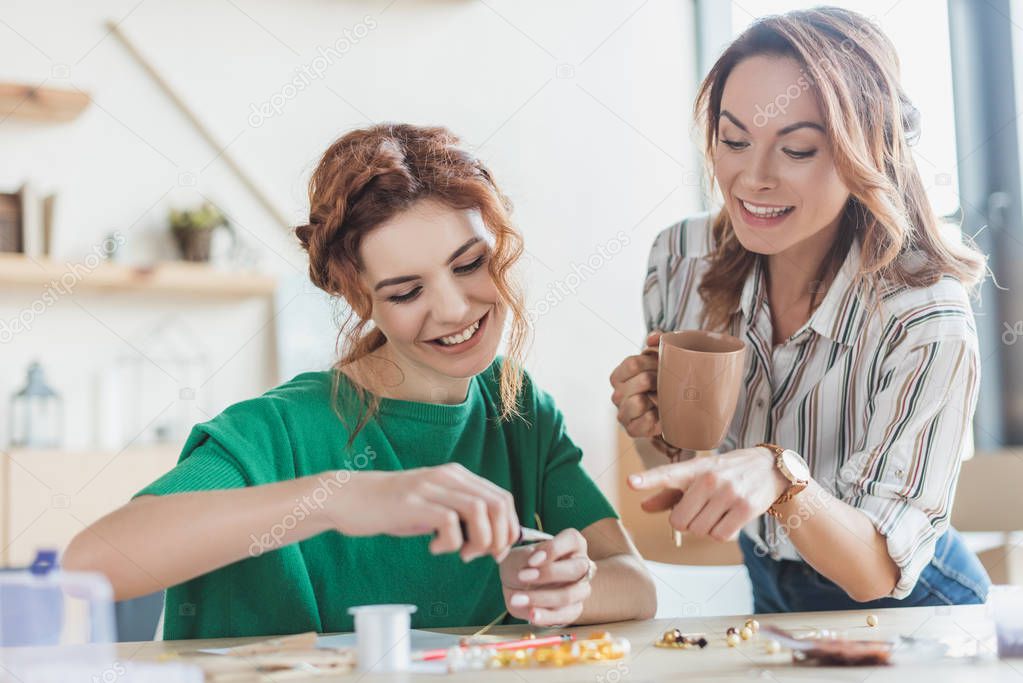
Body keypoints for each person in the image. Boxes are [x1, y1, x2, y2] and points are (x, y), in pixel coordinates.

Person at [65, 123, 655, 639]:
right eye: (406, 291)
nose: (452, 309)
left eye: (470, 263)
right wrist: (341, 498)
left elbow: (635, 584)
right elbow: (92, 564)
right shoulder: (282, 429)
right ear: (358, 297)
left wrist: (570, 589)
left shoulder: (517, 406)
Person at [610, 7, 990, 613]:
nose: (752, 178)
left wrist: (783, 476)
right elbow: (680, 483)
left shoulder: (924, 319)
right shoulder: (682, 259)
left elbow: (872, 572)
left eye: (798, 149)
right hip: (770, 587)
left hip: (913, 609)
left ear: (868, 152)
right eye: (734, 141)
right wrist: (657, 427)